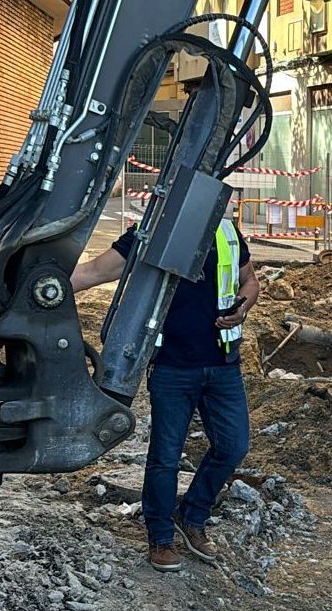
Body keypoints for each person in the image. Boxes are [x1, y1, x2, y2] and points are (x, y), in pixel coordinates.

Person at [71, 211, 260, 573]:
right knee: (165, 457)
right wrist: (35, 288)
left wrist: (243, 306)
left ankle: (192, 516)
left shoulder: (225, 229)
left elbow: (249, 281)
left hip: (223, 363)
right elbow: (94, 272)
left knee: (233, 446)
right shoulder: (154, 227)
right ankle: (160, 537)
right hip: (173, 366)